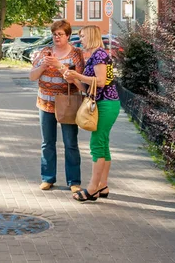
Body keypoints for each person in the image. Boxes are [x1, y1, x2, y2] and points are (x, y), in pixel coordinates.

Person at [63, 25, 120, 202]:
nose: (81, 40)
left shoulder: (99, 55)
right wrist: (73, 79)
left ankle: (93, 189)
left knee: (97, 144)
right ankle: (103, 185)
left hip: (105, 104)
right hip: (103, 103)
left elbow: (101, 82)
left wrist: (78, 76)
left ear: (91, 36)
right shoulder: (95, 56)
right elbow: (89, 87)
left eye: (82, 36)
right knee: (103, 144)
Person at [29, 20, 86, 193]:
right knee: (47, 143)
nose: (57, 37)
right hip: (45, 103)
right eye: (54, 34)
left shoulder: (76, 54)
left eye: (60, 34)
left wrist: (60, 67)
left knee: (70, 143)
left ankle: (74, 181)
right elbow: (32, 76)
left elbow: (80, 83)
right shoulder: (44, 52)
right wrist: (44, 65)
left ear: (68, 36)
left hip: (68, 104)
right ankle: (48, 178)